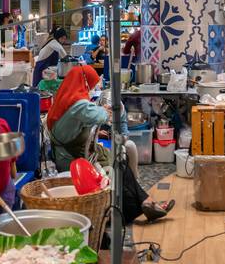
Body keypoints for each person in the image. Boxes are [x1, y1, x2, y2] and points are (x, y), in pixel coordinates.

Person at [47, 65, 171, 220]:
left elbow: (81, 121)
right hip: (72, 161)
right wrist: (104, 111)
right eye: (91, 85)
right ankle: (142, 204)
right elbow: (100, 116)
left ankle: (143, 203)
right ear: (85, 83)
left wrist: (101, 113)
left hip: (75, 153)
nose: (92, 89)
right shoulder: (78, 104)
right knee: (118, 165)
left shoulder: (65, 98)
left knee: (120, 162)